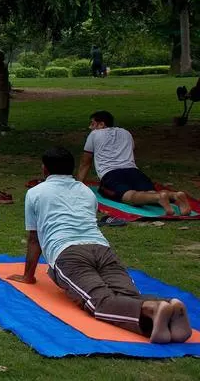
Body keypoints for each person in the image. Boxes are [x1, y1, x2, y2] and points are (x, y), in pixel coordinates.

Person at [11, 147, 191, 343]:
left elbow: (34, 239)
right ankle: (169, 306)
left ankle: (153, 309)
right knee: (127, 294)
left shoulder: (36, 193)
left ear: (45, 170)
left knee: (99, 301)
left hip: (69, 254)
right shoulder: (86, 191)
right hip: (102, 249)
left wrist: (28, 276)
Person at [77, 111, 192, 216]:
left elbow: (85, 163)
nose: (90, 127)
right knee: (149, 193)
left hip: (111, 174)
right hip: (133, 171)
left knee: (130, 196)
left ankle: (159, 197)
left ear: (101, 124)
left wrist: (78, 186)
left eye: (92, 124)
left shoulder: (94, 135)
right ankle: (175, 196)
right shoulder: (126, 132)